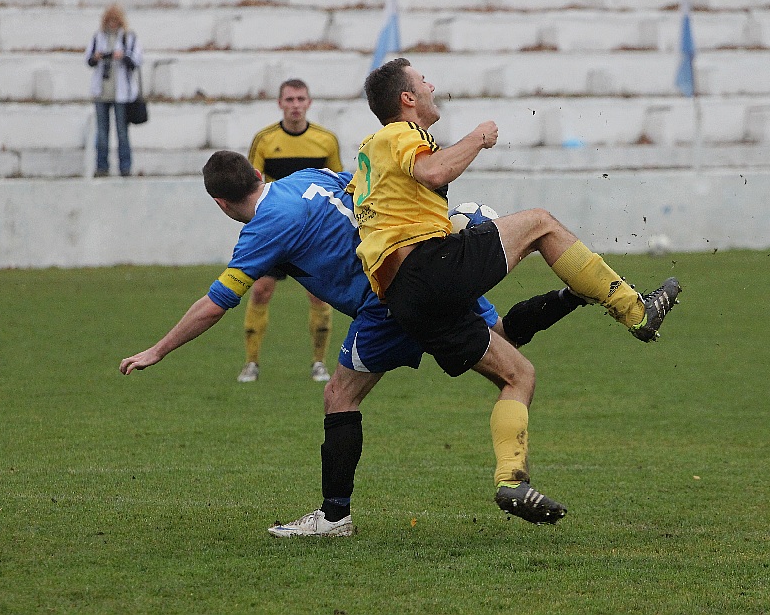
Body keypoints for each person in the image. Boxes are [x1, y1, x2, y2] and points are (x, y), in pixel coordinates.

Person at [120, 152, 589, 537]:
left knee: (339, 396)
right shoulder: (308, 177)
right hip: (423, 268)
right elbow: (373, 190)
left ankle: (334, 517)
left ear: (221, 204)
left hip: (386, 305)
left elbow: (215, 304)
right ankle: (574, 295)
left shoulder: (263, 230)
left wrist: (157, 350)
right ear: (258, 174)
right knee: (502, 339)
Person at [349, 58, 682, 525]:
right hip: (427, 268)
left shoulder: (368, 155)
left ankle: (512, 482)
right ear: (408, 98)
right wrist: (478, 137)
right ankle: (636, 311)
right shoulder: (399, 134)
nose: (431, 86)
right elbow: (433, 173)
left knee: (518, 374)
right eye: (423, 81)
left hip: (405, 301)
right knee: (540, 223)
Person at [238, 79, 342, 385]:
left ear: (309, 103)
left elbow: (338, 184)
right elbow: (250, 187)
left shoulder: (326, 140)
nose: (295, 105)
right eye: (289, 99)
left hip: (313, 234)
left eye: (300, 99)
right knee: (260, 290)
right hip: (276, 232)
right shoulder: (264, 140)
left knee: (319, 296)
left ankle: (319, 363)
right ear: (280, 103)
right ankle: (251, 363)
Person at [83, 4, 143, 177]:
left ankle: (125, 167)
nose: (112, 24)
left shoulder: (128, 38)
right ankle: (102, 167)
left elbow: (138, 60)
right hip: (102, 92)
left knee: (122, 132)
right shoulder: (98, 37)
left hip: (122, 94)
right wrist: (97, 57)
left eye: (115, 20)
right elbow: (88, 60)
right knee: (102, 133)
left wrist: (122, 56)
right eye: (110, 20)